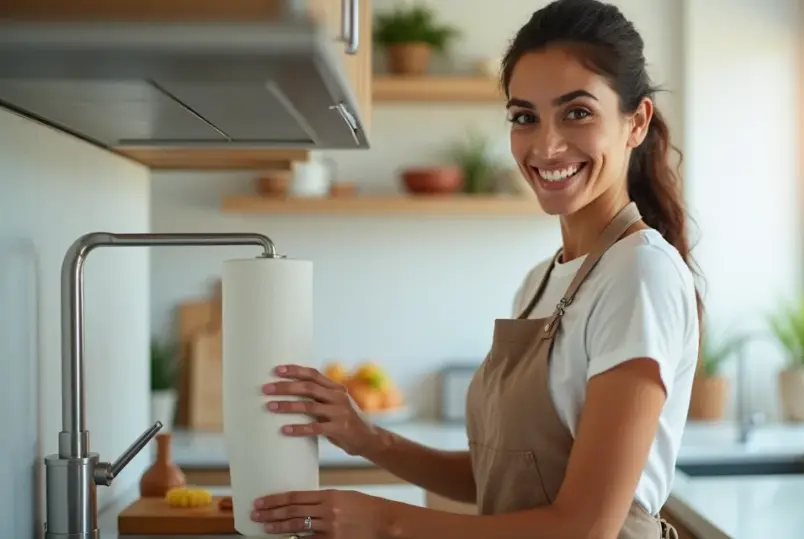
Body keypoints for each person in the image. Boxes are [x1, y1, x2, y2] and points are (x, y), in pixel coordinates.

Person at [250, 0, 702, 537]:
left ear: (636, 122)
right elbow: (502, 478)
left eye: (577, 112)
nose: (546, 144)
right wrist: (368, 438)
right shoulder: (541, 283)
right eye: (524, 117)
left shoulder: (640, 274)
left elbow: (585, 527)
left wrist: (385, 521)